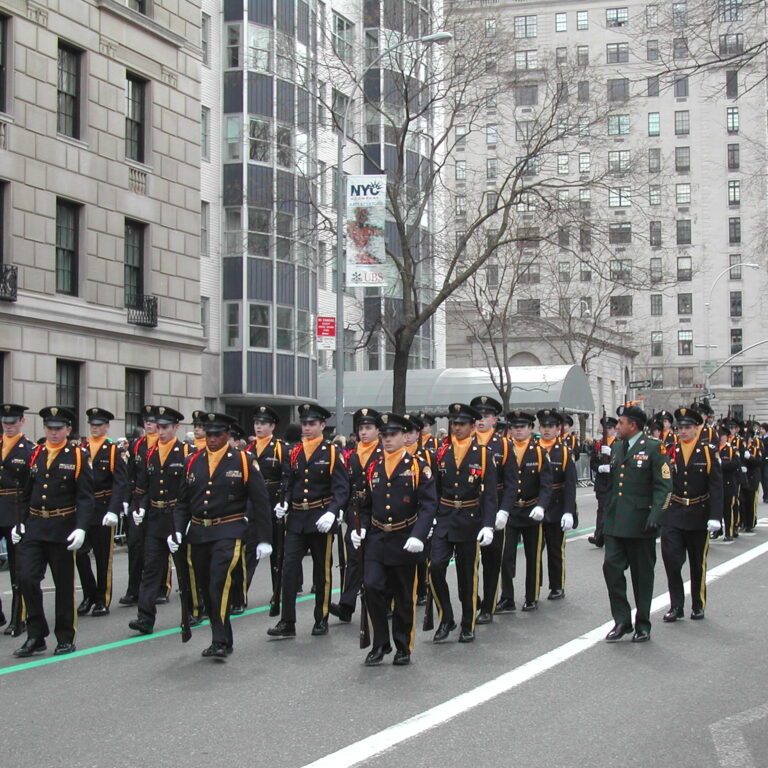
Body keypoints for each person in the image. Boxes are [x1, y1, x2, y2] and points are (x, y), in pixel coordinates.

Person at [171, 412, 271, 658]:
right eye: (209, 433)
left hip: (229, 529)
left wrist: (264, 538)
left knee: (218, 583)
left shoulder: (243, 460)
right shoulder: (192, 461)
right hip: (198, 532)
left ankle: (219, 639)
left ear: (228, 435)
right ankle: (224, 637)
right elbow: (183, 502)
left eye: (218, 434)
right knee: (205, 588)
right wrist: (175, 530)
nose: (212, 438)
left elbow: (260, 502)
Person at [353, 413, 437, 666]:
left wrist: (419, 535)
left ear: (403, 436)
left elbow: (428, 504)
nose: (388, 439)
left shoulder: (417, 465)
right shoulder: (374, 466)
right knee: (372, 587)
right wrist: (360, 529)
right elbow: (365, 504)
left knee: (403, 596)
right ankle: (380, 643)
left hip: (404, 537)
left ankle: (403, 645)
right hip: (378, 538)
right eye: (385, 435)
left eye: (393, 435)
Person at [14, 407, 94, 656]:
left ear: (68, 430)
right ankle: (36, 634)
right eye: (49, 428)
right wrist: (20, 522)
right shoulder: (36, 453)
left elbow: (85, 497)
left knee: (64, 585)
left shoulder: (78, 456)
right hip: (36, 526)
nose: (54, 433)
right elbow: (25, 493)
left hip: (63, 527)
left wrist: (81, 528)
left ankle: (65, 635)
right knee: (26, 578)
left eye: (58, 429)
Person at [267, 404, 350, 638]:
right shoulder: (293, 452)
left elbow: (342, 488)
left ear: (322, 425)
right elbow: (288, 482)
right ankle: (287, 621)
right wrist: (284, 501)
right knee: (288, 569)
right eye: (304, 424)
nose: (307, 428)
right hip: (296, 519)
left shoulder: (332, 452)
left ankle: (321, 617)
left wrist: (333, 511)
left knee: (321, 572)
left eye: (312, 424)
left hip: (320, 517)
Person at [602, 404, 672, 643]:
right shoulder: (617, 446)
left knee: (642, 577)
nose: (617, 426)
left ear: (633, 425)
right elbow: (612, 486)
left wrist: (656, 516)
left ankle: (643, 623)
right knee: (611, 568)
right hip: (616, 522)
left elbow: (664, 487)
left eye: (620, 422)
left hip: (641, 523)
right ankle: (622, 620)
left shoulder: (654, 448)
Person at [430, 403, 498, 643]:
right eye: (454, 423)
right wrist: (431, 519)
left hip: (470, 520)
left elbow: (490, 493)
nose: (456, 427)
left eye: (461, 424)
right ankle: (446, 616)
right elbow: (434, 490)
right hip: (446, 518)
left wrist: (488, 524)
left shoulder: (482, 453)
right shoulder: (440, 452)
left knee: (467, 576)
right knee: (435, 567)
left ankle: (467, 622)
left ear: (471, 426)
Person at [128, 406, 195, 635]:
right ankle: (145, 617)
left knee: (184, 568)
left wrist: (187, 520)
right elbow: (144, 487)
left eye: (166, 427)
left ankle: (192, 610)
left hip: (177, 517)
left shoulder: (187, 452)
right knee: (151, 569)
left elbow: (191, 490)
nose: (161, 431)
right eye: (158, 427)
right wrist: (140, 508)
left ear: (176, 427)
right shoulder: (150, 452)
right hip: (156, 518)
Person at [661, 407, 723, 623]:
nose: (683, 431)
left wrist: (716, 516)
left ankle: (698, 603)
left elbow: (716, 486)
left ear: (697, 429)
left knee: (697, 564)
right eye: (680, 428)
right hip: (674, 513)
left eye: (688, 427)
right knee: (671, 561)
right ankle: (676, 605)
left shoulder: (707, 451)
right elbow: (664, 484)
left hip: (699, 513)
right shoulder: (670, 450)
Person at [496, 409, 552, 613]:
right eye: (514, 427)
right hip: (510, 512)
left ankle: (531, 597)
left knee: (533, 556)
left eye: (522, 427)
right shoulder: (504, 449)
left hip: (531, 510)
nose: (518, 431)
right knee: (505, 557)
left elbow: (546, 484)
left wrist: (541, 506)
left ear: (530, 429)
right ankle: (507, 597)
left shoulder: (538, 451)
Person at [75, 408, 129, 617]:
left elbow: (120, 482)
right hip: (83, 509)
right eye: (93, 425)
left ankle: (102, 598)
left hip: (103, 507)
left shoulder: (113, 450)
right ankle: (89, 593)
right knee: (80, 554)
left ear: (107, 427)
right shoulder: (81, 449)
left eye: (99, 425)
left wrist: (114, 510)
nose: (95, 429)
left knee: (102, 556)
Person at [330, 408, 382, 624]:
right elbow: (345, 485)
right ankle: (347, 604)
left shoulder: (383, 454)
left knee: (375, 559)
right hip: (356, 512)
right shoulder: (350, 455)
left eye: (369, 428)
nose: (364, 432)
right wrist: (341, 509)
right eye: (361, 428)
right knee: (354, 558)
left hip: (378, 513)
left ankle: (381, 602)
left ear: (378, 430)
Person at [236, 405, 289, 614]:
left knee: (277, 553)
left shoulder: (280, 448)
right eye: (256, 423)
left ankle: (278, 593)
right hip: (252, 506)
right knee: (248, 552)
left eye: (263, 423)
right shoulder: (248, 450)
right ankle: (240, 596)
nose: (259, 427)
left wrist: (283, 501)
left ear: (272, 426)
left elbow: (286, 477)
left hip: (273, 503)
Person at [470, 395, 516, 625]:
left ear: (495, 420)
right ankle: (473, 599)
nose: (481, 420)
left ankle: (488, 604)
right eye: (478, 416)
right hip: (469, 507)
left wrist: (504, 510)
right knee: (467, 560)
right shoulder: (465, 441)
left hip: (494, 504)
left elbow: (511, 482)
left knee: (491, 558)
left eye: (486, 416)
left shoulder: (504, 445)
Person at [0, 404, 35, 636]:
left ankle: (18, 618)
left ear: (22, 422)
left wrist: (25, 519)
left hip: (15, 511)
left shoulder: (29, 449)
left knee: (18, 568)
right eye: (5, 423)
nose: (9, 427)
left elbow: (31, 487)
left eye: (13, 422)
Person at [536, 409, 577, 600]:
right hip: (536, 504)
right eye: (543, 426)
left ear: (558, 428)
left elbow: (570, 484)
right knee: (535, 550)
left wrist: (569, 511)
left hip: (557, 502)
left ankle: (557, 585)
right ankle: (534, 585)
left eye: (550, 426)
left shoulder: (564, 451)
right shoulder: (533, 448)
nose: (546, 430)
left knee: (555, 548)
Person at [121, 405, 159, 606]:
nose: (150, 425)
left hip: (155, 500)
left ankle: (161, 587)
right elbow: (131, 474)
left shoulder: (163, 444)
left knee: (157, 548)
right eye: (147, 422)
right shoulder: (137, 445)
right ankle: (133, 589)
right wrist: (126, 498)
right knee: (135, 545)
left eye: (152, 421)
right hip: (138, 498)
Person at [588, 415, 618, 548]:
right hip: (602, 484)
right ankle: (598, 536)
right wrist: (600, 468)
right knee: (602, 510)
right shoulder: (598, 444)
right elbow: (592, 462)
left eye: (609, 428)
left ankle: (612, 536)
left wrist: (611, 455)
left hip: (615, 483)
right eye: (605, 428)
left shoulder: (620, 443)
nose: (607, 431)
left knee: (614, 510)